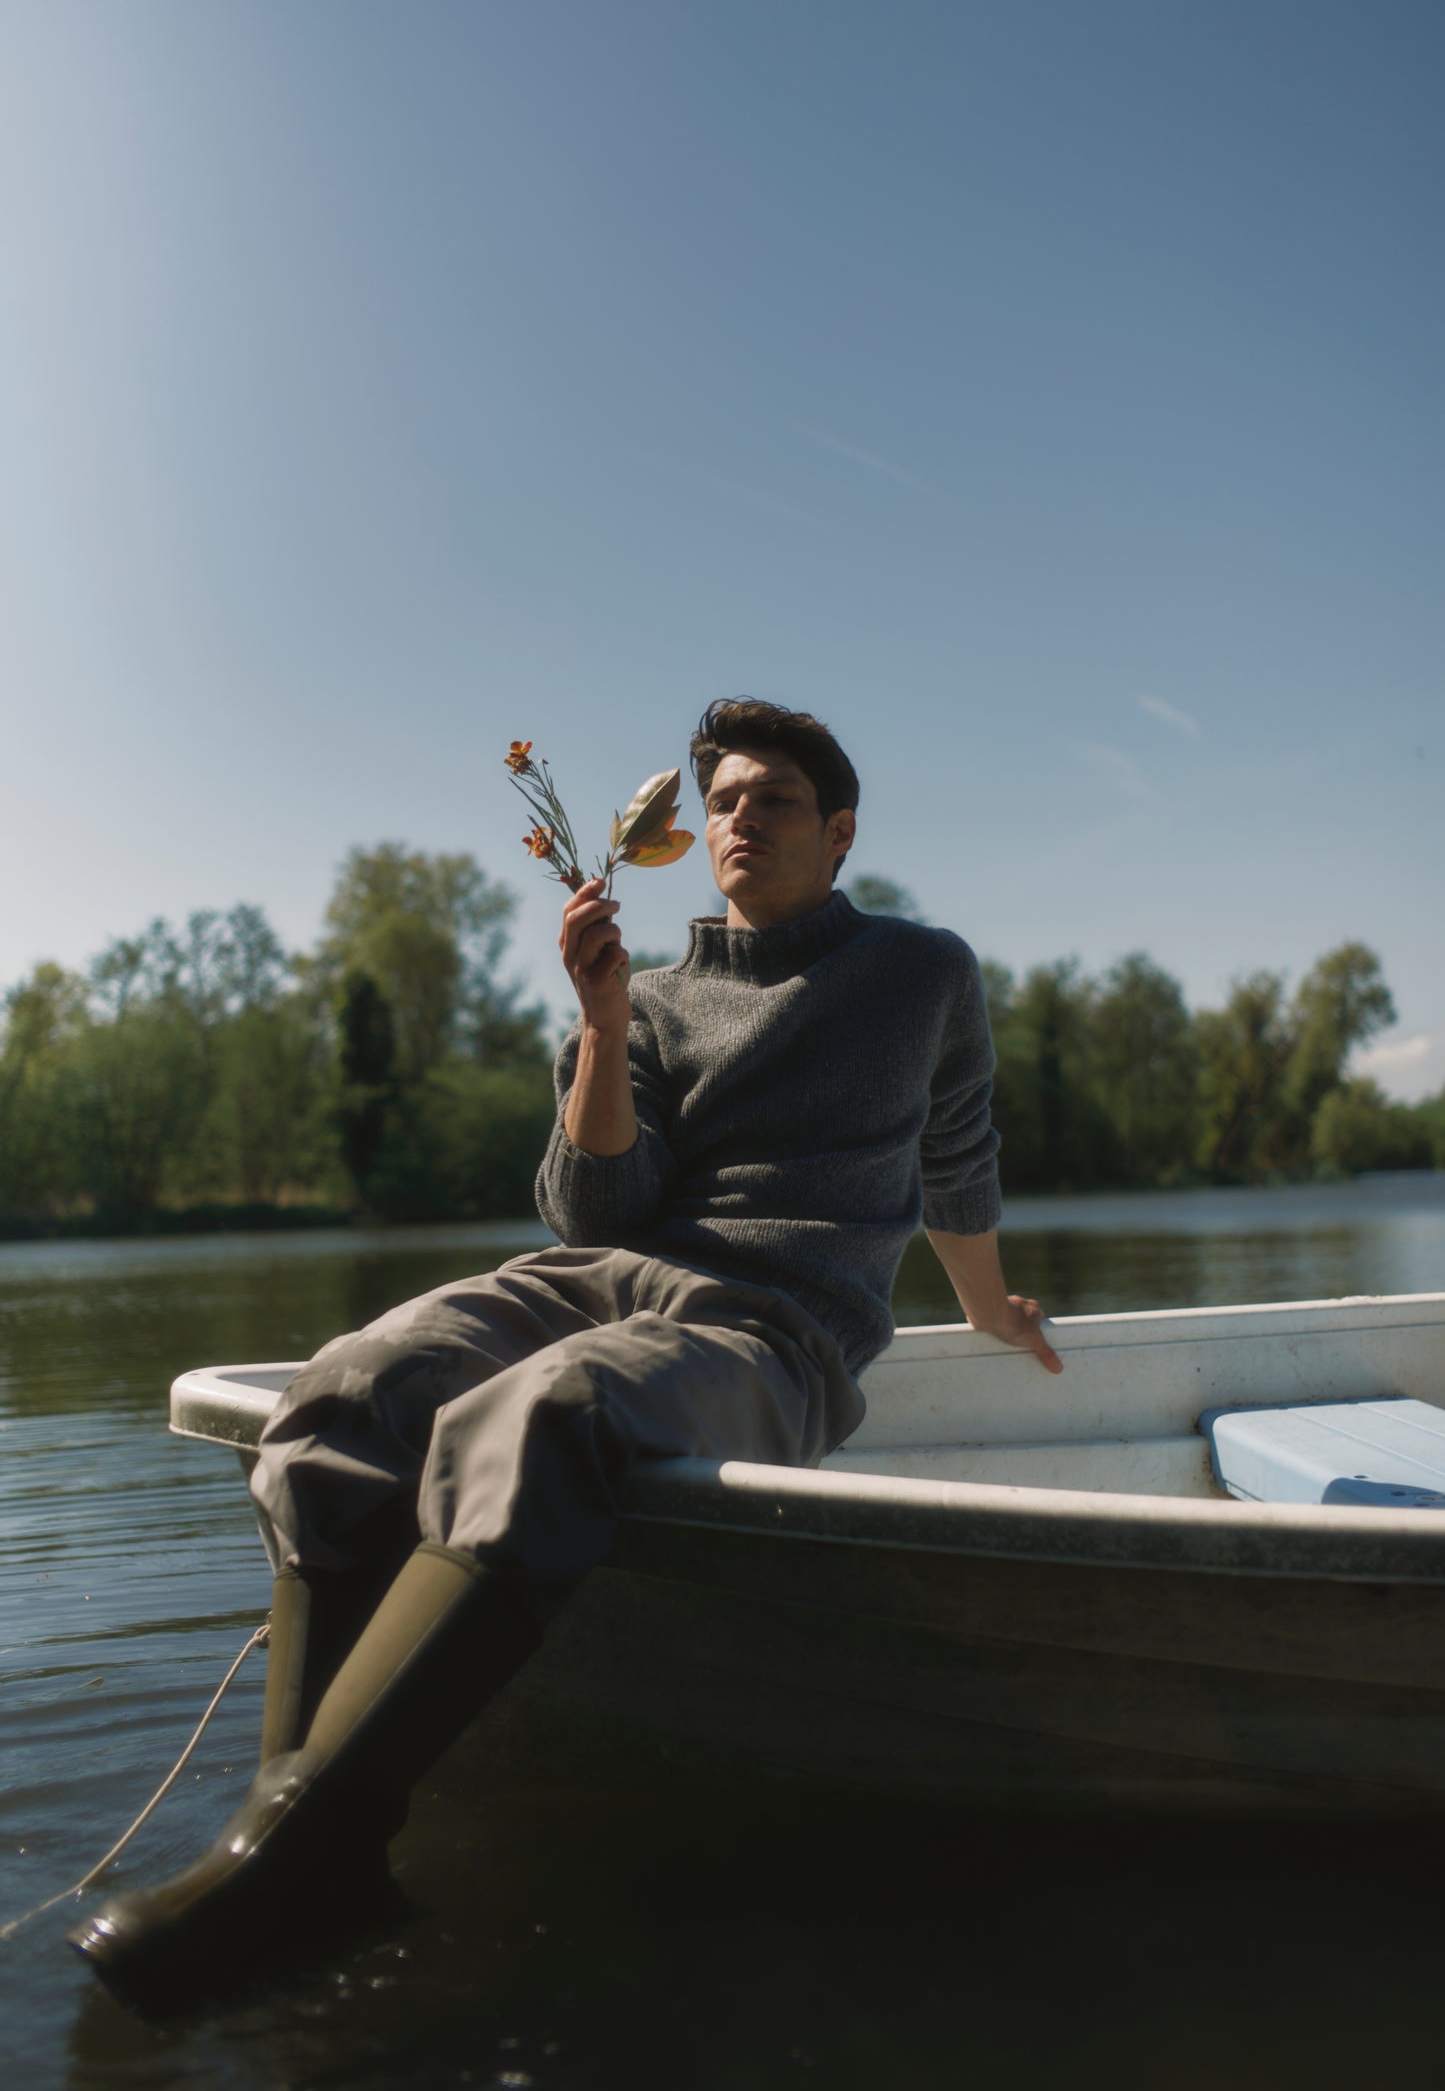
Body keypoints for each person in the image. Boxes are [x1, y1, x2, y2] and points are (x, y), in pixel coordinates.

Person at [71, 697, 1061, 2004]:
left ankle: (287, 1848)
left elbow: (955, 1155)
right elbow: (593, 1209)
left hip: (774, 1325)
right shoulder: (645, 998)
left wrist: (986, 1305)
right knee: (351, 1386)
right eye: (719, 802)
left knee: (543, 1414)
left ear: (839, 833)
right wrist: (599, 1019)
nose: (736, 819)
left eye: (769, 800)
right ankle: (314, 1850)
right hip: (596, 1278)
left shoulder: (921, 973)